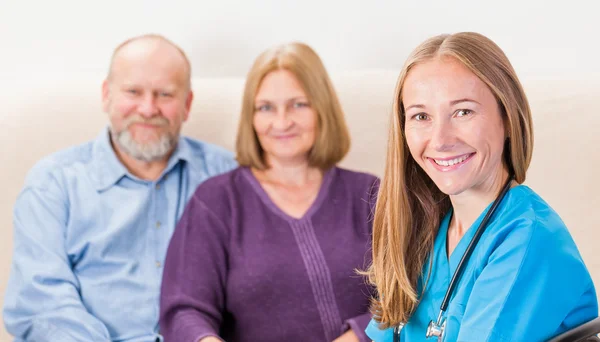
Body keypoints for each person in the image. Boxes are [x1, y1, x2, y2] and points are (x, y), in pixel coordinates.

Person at [364, 32, 598, 341]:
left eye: (463, 112)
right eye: (421, 116)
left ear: (508, 117)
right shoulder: (425, 229)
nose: (440, 140)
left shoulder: (529, 239)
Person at [3, 34, 237, 342]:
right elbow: (43, 305)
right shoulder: (53, 184)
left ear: (187, 104)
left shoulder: (227, 176)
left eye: (165, 94)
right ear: (106, 95)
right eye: (133, 91)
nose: (148, 108)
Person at [159, 42, 378, 342]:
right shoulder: (216, 201)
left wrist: (358, 336)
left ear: (322, 108)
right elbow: (184, 310)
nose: (281, 122)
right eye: (265, 108)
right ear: (251, 117)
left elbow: (409, 293)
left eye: (298, 104)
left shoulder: (369, 194)